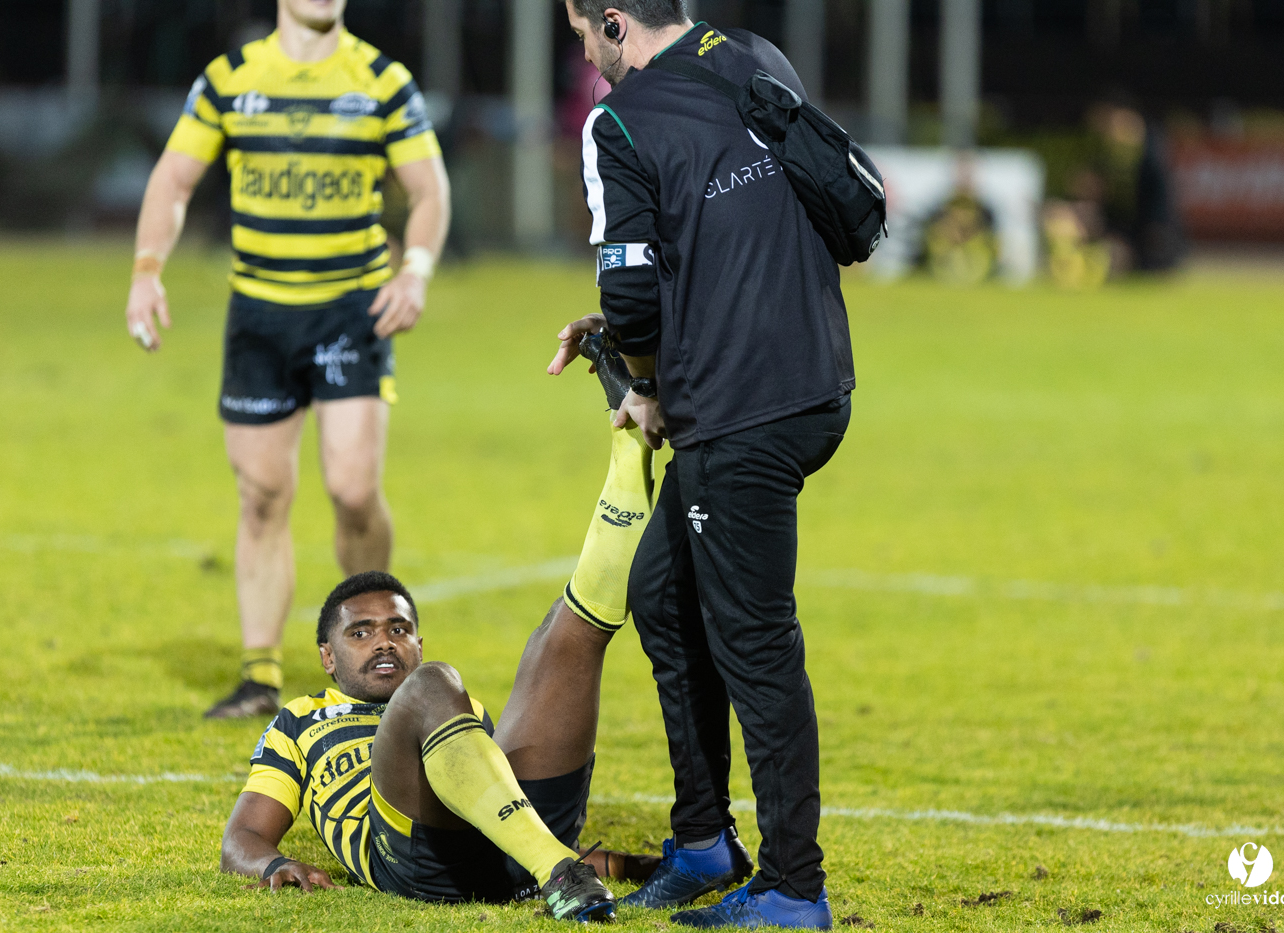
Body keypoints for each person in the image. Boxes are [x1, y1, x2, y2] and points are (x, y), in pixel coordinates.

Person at [553, 2, 856, 928]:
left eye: (583, 39)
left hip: (740, 411)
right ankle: (703, 841)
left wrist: (637, 381)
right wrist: (632, 339)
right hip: (813, 380)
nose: (591, 63)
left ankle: (794, 886)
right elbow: (746, 234)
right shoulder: (751, 55)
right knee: (662, 594)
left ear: (613, 22)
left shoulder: (619, 120)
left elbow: (634, 288)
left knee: (755, 641)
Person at [219, 358, 659, 920]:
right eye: (361, 633)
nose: (385, 643)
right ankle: (560, 871)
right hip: (411, 858)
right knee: (432, 689)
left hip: (504, 859)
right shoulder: (299, 721)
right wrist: (272, 865)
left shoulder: (456, 708)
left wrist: (627, 863)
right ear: (327, 657)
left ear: (418, 642)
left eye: (399, 629)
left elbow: (502, 810)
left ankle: (631, 440)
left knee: (562, 634)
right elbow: (243, 837)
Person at [123, 0, 451, 719]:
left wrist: (416, 268)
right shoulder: (231, 79)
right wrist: (147, 269)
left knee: (353, 487)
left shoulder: (380, 79)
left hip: (350, 309)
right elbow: (173, 182)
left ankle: (383, 644)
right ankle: (259, 676)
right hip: (261, 317)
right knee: (263, 493)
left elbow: (428, 190)